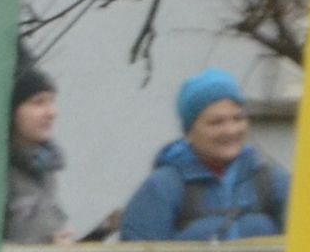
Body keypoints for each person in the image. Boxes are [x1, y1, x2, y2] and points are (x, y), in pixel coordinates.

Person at [121, 68, 285, 242]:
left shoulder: (271, 181)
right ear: (189, 132)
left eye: (238, 118)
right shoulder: (163, 188)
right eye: (216, 122)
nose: (231, 130)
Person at [5, 59, 70, 245]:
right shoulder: (0, 172)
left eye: (52, 102)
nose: (52, 112)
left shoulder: (46, 169)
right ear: (13, 112)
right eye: (38, 102)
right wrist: (47, 246)